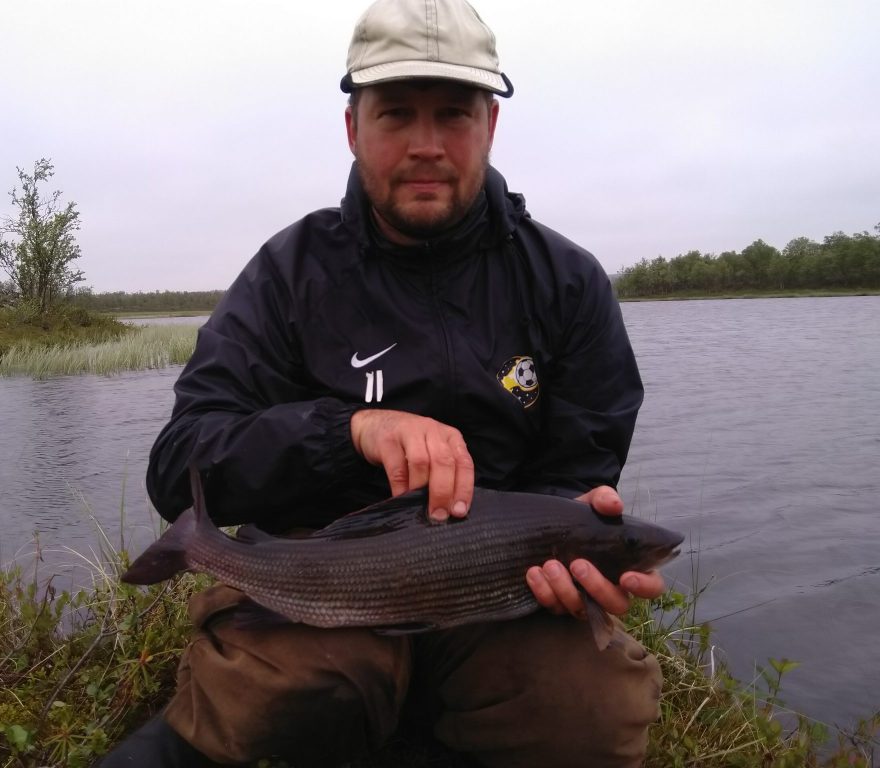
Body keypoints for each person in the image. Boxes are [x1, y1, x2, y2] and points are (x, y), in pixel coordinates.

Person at [102, 0, 666, 765]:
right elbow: (181, 464)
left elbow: (579, 474)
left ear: (490, 127)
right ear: (353, 128)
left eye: (454, 114)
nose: (427, 145)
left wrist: (576, 552)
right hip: (319, 587)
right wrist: (346, 433)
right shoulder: (288, 276)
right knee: (286, 694)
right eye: (397, 113)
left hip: (496, 596)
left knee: (591, 711)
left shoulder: (567, 283)